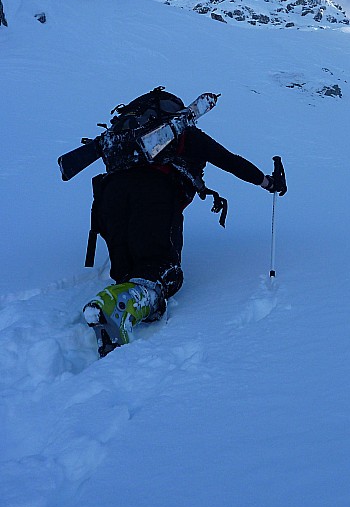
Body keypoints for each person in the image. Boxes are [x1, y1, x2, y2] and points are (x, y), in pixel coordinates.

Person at [82, 90, 286, 356]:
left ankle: (117, 305)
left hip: (109, 199)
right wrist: (268, 182)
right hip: (154, 195)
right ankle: (117, 306)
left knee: (128, 271)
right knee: (163, 271)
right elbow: (230, 162)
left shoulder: (126, 142)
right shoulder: (182, 134)